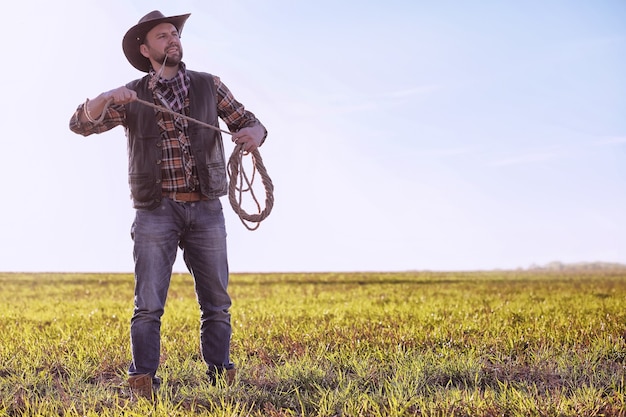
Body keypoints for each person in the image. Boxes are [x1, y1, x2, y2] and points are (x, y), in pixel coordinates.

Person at [69, 10, 267, 399]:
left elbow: (250, 121)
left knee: (217, 302)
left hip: (207, 207)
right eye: (162, 36)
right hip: (154, 210)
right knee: (148, 305)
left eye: (174, 34)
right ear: (145, 50)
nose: (172, 39)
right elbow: (80, 124)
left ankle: (219, 375)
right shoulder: (131, 94)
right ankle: (142, 380)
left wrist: (254, 134)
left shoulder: (210, 85)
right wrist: (107, 98)